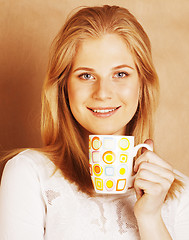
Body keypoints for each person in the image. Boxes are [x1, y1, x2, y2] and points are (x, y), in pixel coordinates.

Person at [0, 5, 189, 240]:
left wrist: (150, 218)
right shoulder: (29, 173)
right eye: (86, 76)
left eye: (120, 74)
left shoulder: (180, 190)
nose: (103, 93)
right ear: (64, 87)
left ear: (142, 85)